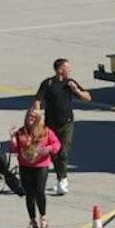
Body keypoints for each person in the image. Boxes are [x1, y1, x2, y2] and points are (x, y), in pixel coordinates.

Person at [35, 58, 89, 195]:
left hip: (67, 123)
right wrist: (37, 117)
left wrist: (76, 90)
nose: (70, 70)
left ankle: (63, 180)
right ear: (60, 70)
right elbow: (37, 100)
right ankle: (60, 178)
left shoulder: (70, 83)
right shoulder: (48, 84)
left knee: (63, 152)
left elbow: (88, 97)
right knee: (53, 153)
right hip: (50, 124)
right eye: (67, 67)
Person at [10, 106, 61, 228]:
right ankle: (32, 220)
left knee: (39, 191)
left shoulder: (45, 131)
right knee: (29, 194)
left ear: (38, 119)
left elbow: (57, 144)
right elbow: (15, 150)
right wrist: (12, 138)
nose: (30, 119)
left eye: (33, 117)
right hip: (25, 166)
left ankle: (43, 217)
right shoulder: (21, 132)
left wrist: (49, 149)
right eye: (28, 116)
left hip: (41, 166)